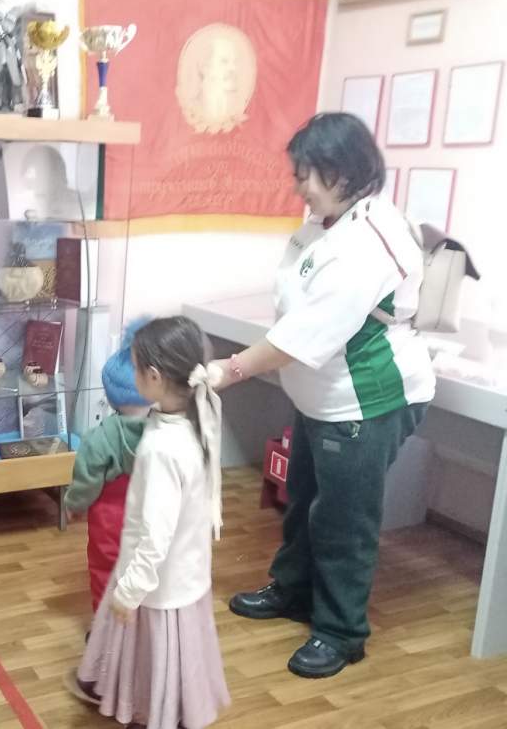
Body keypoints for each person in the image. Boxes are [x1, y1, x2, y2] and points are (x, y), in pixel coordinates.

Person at [213, 112, 435, 679]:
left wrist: (230, 369)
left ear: (347, 170)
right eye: (298, 173)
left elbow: (307, 333)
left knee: (343, 521)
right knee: (303, 499)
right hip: (320, 399)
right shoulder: (324, 222)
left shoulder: (370, 239)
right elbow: (296, 304)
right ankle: (292, 590)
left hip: (363, 402)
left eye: (309, 174)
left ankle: (341, 632)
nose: (300, 186)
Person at [66, 316, 230, 729]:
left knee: (154, 649)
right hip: (188, 568)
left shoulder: (161, 448)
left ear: (153, 377)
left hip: (156, 580)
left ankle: (153, 711)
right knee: (172, 650)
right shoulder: (199, 411)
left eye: (136, 366)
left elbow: (156, 535)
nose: (133, 373)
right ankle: (160, 703)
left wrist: (129, 590)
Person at [64, 318, 151, 613]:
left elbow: (86, 479)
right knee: (146, 567)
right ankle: (143, 620)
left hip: (109, 520)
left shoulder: (99, 437)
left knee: (105, 568)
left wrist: (74, 505)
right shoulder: (164, 431)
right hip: (151, 513)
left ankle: (105, 624)